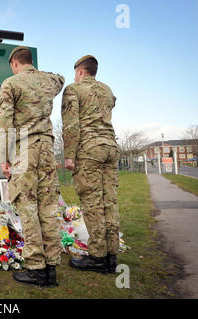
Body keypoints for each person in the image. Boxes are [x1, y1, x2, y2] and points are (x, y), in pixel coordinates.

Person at [0, 46, 65, 287]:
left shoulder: (10, 84)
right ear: (30, 61)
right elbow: (61, 79)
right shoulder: (49, 81)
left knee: (27, 206)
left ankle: (36, 268)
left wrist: (4, 158)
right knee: (48, 206)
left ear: (15, 63)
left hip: (24, 150)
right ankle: (52, 268)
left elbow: (3, 124)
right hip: (47, 149)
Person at [61, 55, 119, 274]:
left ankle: (97, 257)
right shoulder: (107, 89)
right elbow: (111, 106)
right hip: (110, 147)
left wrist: (69, 155)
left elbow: (71, 125)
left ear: (80, 71)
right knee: (109, 201)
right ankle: (111, 255)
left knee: (92, 202)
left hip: (89, 150)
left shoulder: (73, 90)